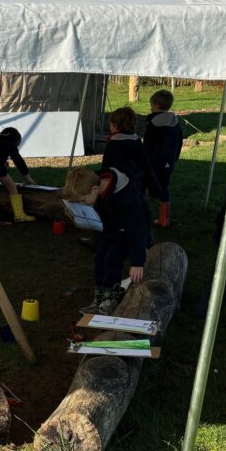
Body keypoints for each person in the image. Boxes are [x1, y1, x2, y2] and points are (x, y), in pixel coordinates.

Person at [64, 166, 151, 314]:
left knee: (112, 260)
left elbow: (137, 229)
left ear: (94, 189)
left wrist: (137, 262)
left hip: (128, 231)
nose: (83, 203)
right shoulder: (94, 184)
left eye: (83, 200)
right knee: (100, 259)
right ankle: (100, 298)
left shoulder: (127, 198)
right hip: (112, 227)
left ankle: (110, 299)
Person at [103, 106, 164, 201]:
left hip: (119, 189)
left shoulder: (114, 145)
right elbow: (146, 164)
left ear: (115, 125)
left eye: (110, 124)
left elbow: (108, 169)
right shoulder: (136, 141)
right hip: (138, 185)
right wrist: (155, 188)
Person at [143, 89, 183, 227]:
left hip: (153, 163)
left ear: (156, 105)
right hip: (168, 162)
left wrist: (145, 161)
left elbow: (149, 146)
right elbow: (179, 142)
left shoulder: (153, 124)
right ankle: (164, 219)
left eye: (152, 104)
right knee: (164, 187)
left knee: (143, 185)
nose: (151, 107)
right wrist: (174, 158)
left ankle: (140, 215)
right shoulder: (175, 123)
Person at [0, 127, 36, 223]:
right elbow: (19, 162)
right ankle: (19, 215)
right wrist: (27, 178)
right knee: (12, 186)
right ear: (16, 140)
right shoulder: (10, 144)